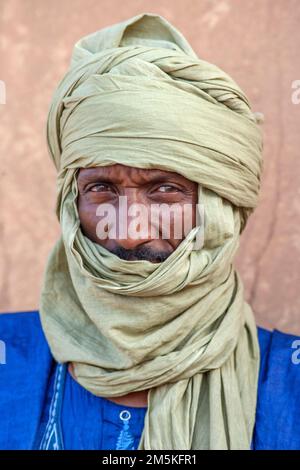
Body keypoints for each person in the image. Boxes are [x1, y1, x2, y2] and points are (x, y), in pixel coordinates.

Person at [0, 12, 299, 451]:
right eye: (101, 188)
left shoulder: (289, 381)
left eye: (165, 189)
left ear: (221, 209)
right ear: (70, 202)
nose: (130, 233)